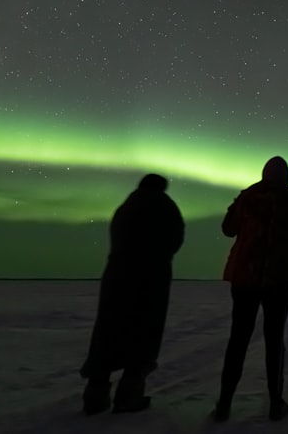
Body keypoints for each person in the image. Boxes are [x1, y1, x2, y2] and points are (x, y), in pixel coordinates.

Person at [211, 156, 288, 423]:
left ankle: (224, 404)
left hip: (244, 278)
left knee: (238, 340)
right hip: (278, 278)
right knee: (274, 341)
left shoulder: (247, 197)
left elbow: (228, 229)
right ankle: (275, 403)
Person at [80, 173, 185, 415]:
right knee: (143, 336)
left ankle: (95, 397)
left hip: (117, 278)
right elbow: (175, 238)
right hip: (151, 280)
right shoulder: (165, 206)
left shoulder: (126, 207)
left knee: (108, 335)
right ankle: (129, 396)